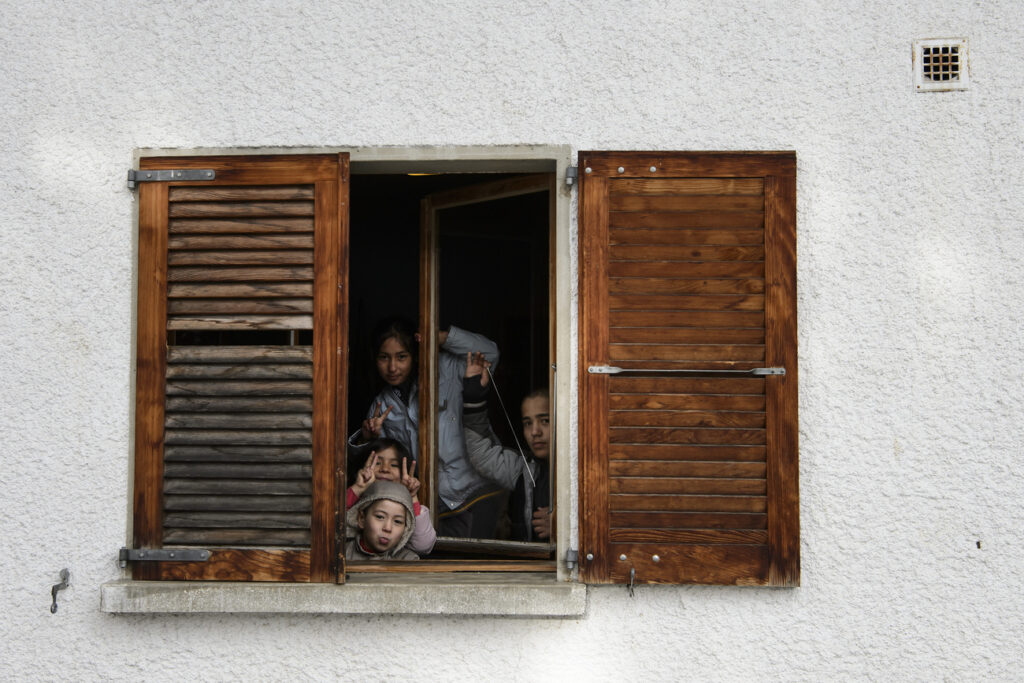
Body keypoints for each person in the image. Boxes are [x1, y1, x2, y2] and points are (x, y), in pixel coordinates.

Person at [350, 317, 503, 538]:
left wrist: (441, 338)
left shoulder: (447, 368)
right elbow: (377, 469)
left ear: (415, 354)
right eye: (384, 358)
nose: (392, 367)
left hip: (477, 492)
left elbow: (490, 354)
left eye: (401, 357)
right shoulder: (381, 405)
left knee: (476, 566)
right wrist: (367, 439)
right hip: (434, 505)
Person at [462, 352, 552, 542]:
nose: (535, 431)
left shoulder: (583, 470)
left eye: (545, 420)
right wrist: (473, 396)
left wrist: (566, 526)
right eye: (528, 423)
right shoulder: (523, 469)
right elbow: (482, 455)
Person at [346, 438, 436, 555]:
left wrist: (411, 497)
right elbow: (329, 528)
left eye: (393, 465)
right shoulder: (354, 499)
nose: (384, 469)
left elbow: (423, 545)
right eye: (377, 463)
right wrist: (358, 488)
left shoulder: (406, 507)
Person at [344, 480, 420, 561]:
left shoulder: (409, 560)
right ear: (361, 518)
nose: (387, 528)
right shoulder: (341, 553)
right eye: (380, 517)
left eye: (397, 521)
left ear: (406, 528)